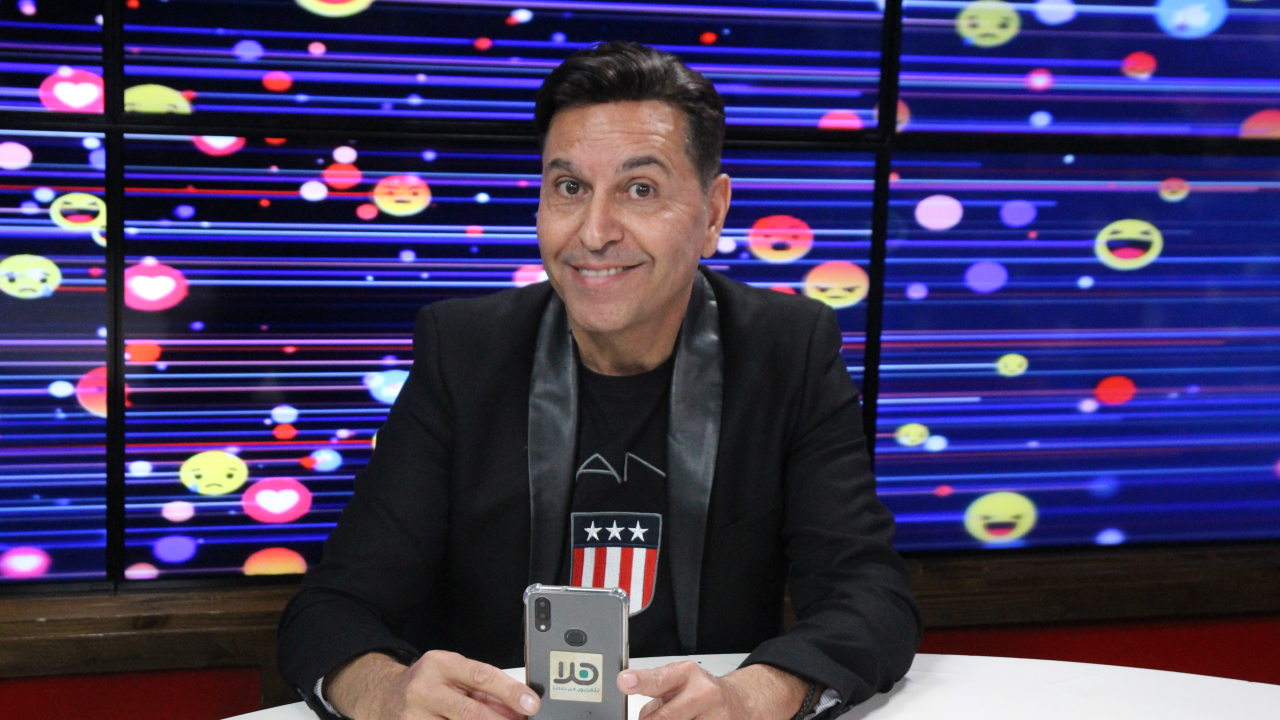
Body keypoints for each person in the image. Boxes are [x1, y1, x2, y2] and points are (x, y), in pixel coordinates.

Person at [278, 41, 921, 720]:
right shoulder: (462, 352)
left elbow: (868, 595)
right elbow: (332, 609)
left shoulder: (788, 350)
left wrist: (752, 697)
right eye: (569, 188)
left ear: (712, 213)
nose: (593, 232)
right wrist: (385, 692)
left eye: (640, 189)